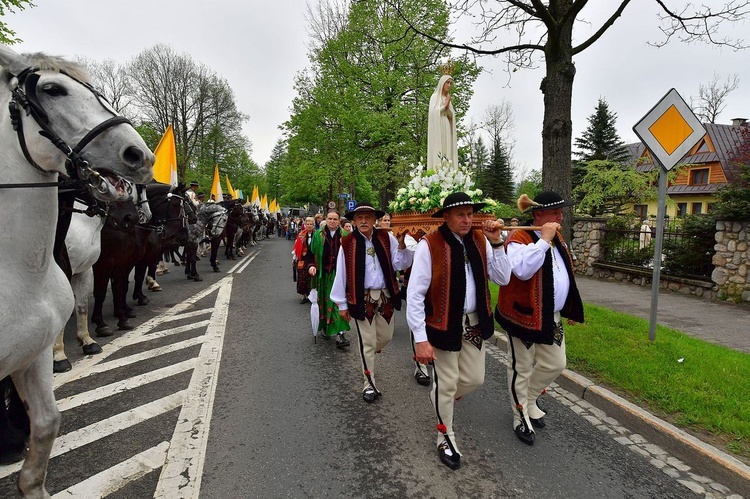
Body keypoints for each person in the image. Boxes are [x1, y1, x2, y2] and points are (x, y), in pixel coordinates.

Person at [407, 192, 512, 470]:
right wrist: (420, 339)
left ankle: (442, 394)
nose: (467, 219)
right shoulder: (429, 245)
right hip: (442, 324)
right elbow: (415, 295)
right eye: (460, 214)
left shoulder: (481, 241)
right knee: (447, 382)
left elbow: (502, 278)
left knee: (475, 379)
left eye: (470, 214)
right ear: (446, 217)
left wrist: (497, 243)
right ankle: (445, 436)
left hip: (474, 323)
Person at [495, 191, 584, 447]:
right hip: (522, 315)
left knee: (556, 363)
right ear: (538, 215)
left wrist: (569, 305)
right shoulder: (518, 238)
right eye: (555, 212)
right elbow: (522, 271)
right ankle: (519, 414)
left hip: (549, 315)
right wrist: (543, 240)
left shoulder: (557, 238)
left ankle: (530, 399)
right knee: (520, 368)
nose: (560, 217)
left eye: (560, 212)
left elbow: (563, 271)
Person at [330, 204, 412, 402]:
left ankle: (369, 353)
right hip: (361, 297)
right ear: (354, 221)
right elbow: (341, 273)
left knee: (386, 337)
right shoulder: (347, 242)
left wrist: (401, 246)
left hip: (385, 296)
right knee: (367, 343)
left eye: (368, 217)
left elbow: (401, 264)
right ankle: (369, 384)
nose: (364, 221)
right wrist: (341, 304)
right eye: (360, 218)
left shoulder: (386, 238)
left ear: (375, 220)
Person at [309, 210, 351, 347]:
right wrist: (311, 266)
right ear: (325, 219)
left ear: (339, 221)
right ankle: (326, 328)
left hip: (340, 275)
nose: (332, 221)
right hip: (323, 275)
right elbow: (311, 254)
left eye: (335, 219)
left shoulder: (346, 235)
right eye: (330, 219)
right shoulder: (318, 235)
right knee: (325, 302)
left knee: (338, 303)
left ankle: (340, 333)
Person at [427, 73, 458, 171]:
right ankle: (437, 170)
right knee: (439, 148)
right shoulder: (435, 97)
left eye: (450, 83)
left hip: (446, 124)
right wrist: (444, 106)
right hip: (437, 126)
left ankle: (447, 171)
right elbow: (432, 113)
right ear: (442, 83)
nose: (449, 85)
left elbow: (451, 115)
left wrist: (448, 107)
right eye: (447, 82)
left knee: (447, 147)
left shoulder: (447, 98)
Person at [293, 217, 317, 304]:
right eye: (308, 224)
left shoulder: (318, 234)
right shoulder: (301, 235)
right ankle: (303, 296)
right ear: (305, 225)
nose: (309, 226)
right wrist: (295, 258)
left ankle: (311, 295)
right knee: (302, 277)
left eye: (311, 224)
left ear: (314, 225)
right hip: (303, 259)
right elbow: (296, 247)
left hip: (313, 259)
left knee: (312, 278)